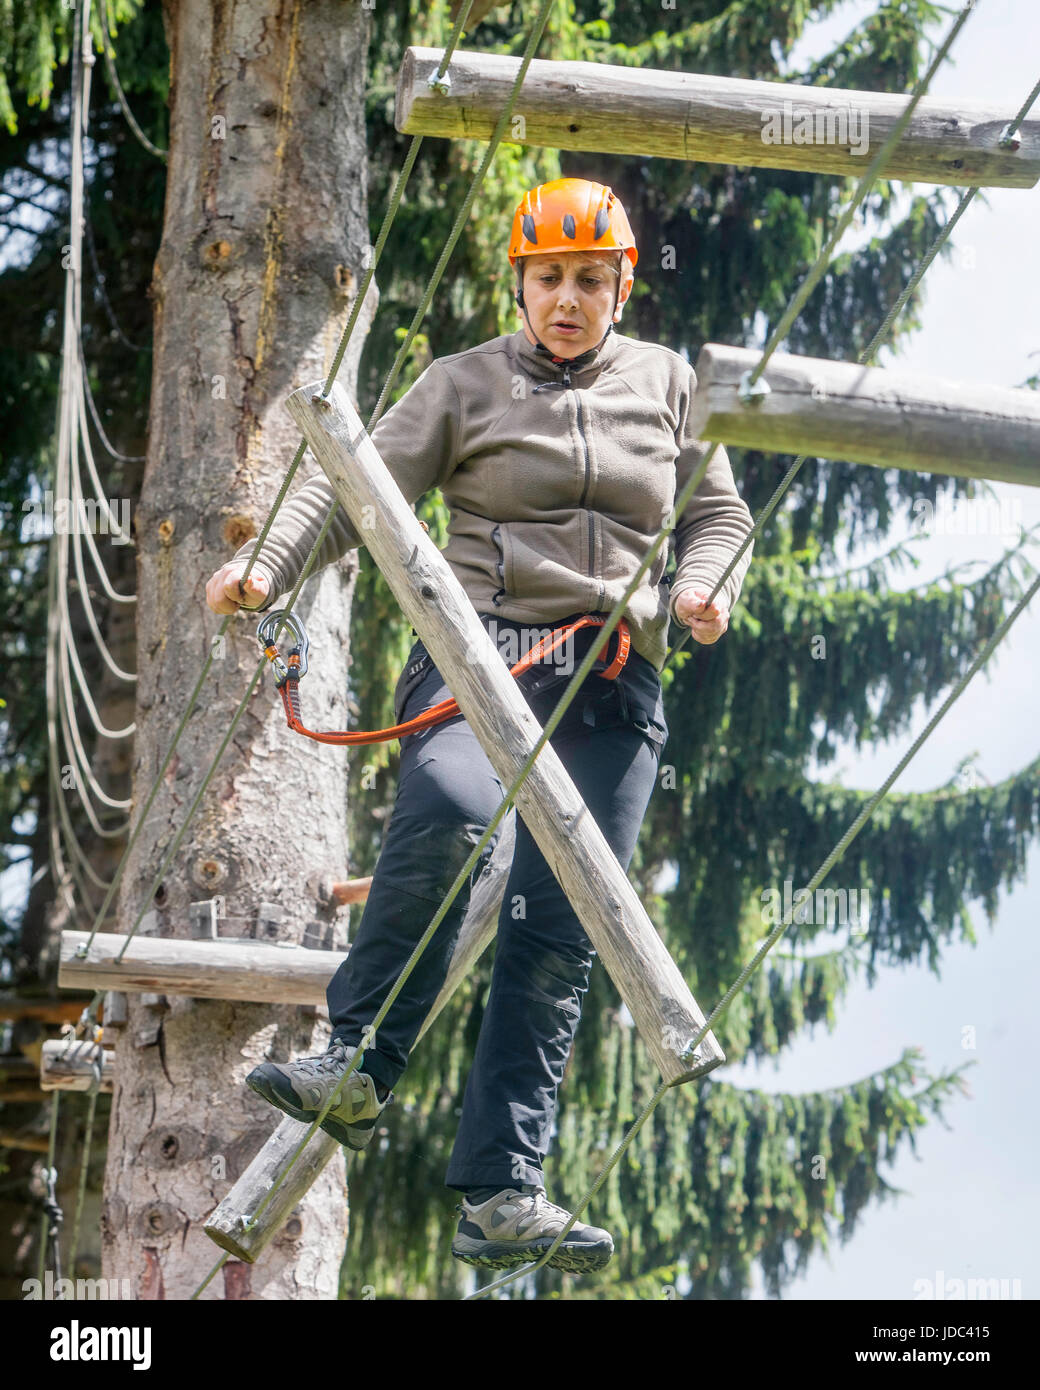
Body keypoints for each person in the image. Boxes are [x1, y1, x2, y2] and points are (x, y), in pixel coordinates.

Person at [205, 178, 754, 1274]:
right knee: (451, 818)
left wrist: (706, 588)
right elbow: (353, 485)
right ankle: (358, 1063)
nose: (565, 299)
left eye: (588, 280)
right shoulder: (462, 383)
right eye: (546, 278)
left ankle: (503, 1189)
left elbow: (716, 514)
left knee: (562, 921)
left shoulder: (669, 384)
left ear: (620, 285)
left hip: (610, 684)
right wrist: (265, 565)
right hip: (482, 651)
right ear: (518, 279)